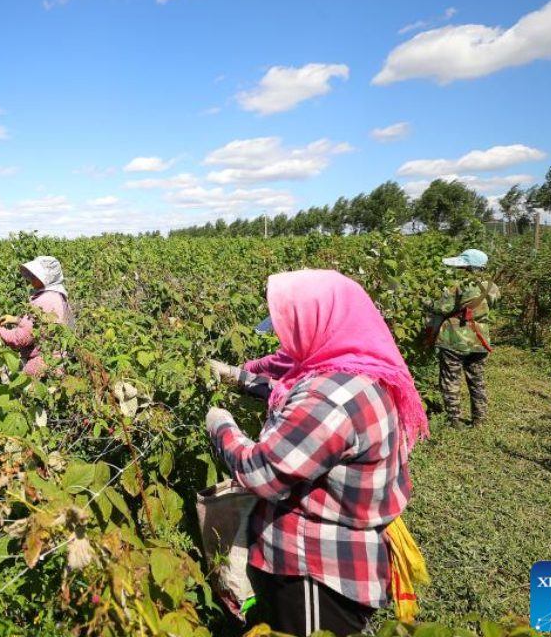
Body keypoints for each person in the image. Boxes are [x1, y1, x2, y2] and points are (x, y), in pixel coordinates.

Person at [204, 270, 428, 637]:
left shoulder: (331, 398)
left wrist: (221, 426)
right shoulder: (355, 370)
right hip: (337, 554)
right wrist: (236, 376)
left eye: (289, 330)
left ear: (318, 323)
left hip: (316, 569)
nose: (283, 342)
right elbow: (289, 391)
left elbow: (261, 471)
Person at [426, 249, 500, 429]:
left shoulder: (456, 285)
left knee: (451, 379)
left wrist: (425, 302)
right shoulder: (491, 286)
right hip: (480, 339)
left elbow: (443, 308)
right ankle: (479, 419)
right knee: (477, 380)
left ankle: (455, 420)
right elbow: (494, 304)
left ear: (467, 266)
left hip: (454, 337)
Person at [0, 256, 74, 377]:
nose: (31, 278)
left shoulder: (45, 299)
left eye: (35, 275)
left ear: (47, 278)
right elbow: (42, 323)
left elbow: (21, 338)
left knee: (20, 385)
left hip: (44, 363)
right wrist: (16, 320)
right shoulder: (57, 295)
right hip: (59, 360)